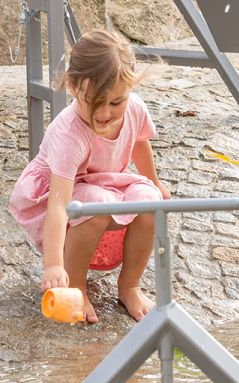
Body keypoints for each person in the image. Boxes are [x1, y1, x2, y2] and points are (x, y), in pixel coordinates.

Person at [10, 30, 171, 324]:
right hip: (62, 192)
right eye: (94, 101)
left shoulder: (134, 109)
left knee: (151, 201)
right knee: (94, 207)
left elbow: (138, 143)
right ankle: (75, 285)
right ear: (72, 86)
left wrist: (155, 182)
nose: (104, 112)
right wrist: (53, 265)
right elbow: (60, 207)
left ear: (131, 88)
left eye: (115, 103)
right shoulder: (69, 134)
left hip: (106, 182)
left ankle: (130, 286)